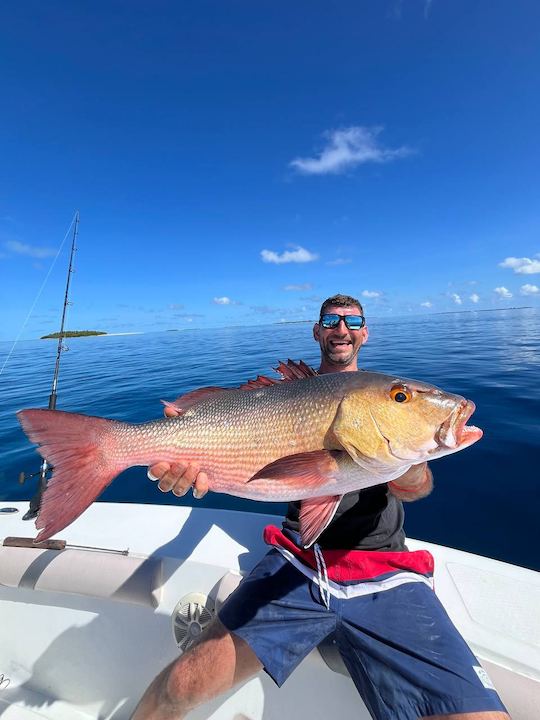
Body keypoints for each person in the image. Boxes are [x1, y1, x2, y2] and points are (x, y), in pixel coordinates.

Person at [132, 294, 509, 720]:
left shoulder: (373, 392)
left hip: (383, 568)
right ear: (318, 332)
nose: (341, 329)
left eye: (351, 321)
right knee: (178, 688)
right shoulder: (294, 392)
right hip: (297, 562)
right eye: (331, 321)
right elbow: (245, 459)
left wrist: (402, 456)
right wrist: (189, 462)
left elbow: (417, 489)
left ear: (364, 332)